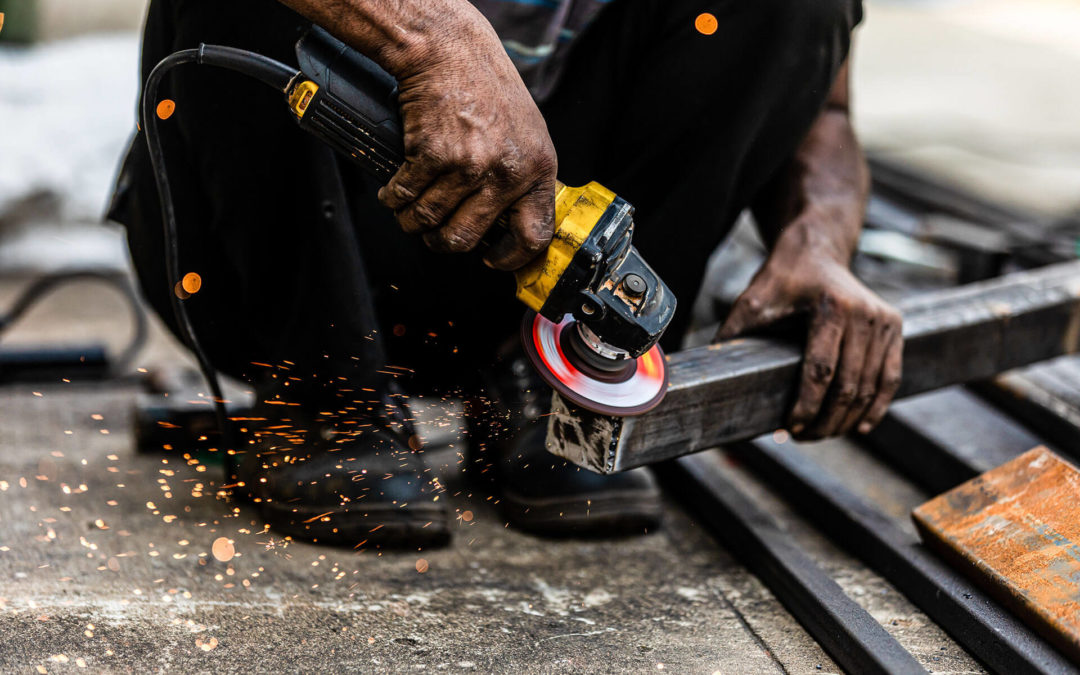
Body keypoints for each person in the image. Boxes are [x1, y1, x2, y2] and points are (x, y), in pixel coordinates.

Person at [109, 0, 901, 547]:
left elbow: (825, 110)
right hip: (271, 236)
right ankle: (324, 394)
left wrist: (821, 236)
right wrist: (433, 39)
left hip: (519, 255)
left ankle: (561, 384)